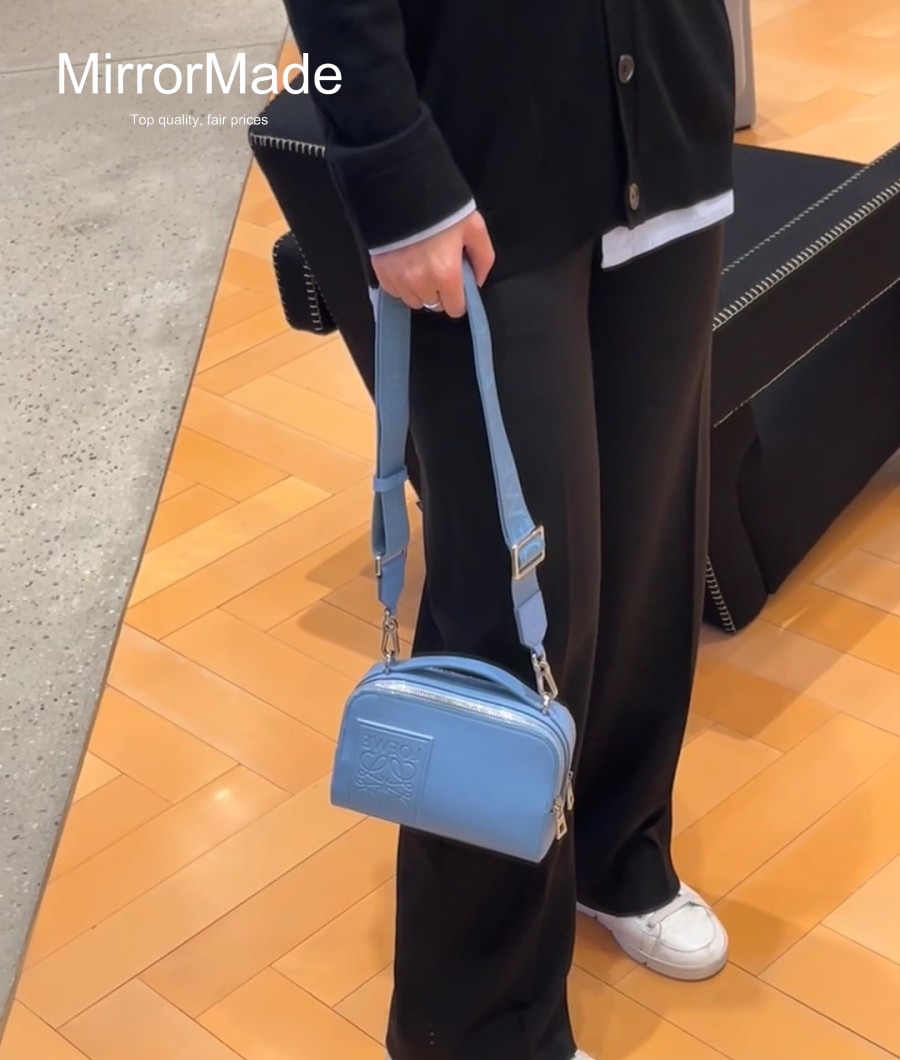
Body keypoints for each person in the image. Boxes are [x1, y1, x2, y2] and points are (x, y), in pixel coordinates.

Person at [282, 2, 737, 1058]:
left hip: (664, 107)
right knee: (511, 599)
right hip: (471, 153)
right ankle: (478, 1023)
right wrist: (390, 161)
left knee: (649, 540)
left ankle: (618, 847)